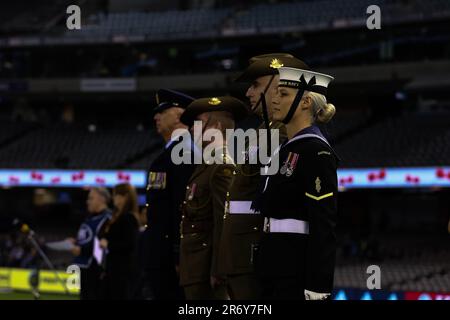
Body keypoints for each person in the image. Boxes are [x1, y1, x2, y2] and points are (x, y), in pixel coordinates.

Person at [218, 53, 309, 299]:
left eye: (256, 85)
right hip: (241, 253)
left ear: (278, 85)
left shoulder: (282, 134)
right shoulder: (262, 132)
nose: (248, 93)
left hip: (254, 252)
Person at [254, 66, 339, 300]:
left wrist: (318, 285)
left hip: (295, 271)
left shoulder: (316, 151)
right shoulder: (286, 149)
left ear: (306, 102)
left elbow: (323, 223)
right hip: (273, 264)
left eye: (283, 94)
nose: (274, 100)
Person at [178, 96, 248, 300]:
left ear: (215, 126)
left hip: (207, 272)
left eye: (197, 123)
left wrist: (219, 270)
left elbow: (224, 223)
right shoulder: (207, 165)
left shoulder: (221, 166)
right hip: (195, 268)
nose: (191, 129)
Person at [142, 89, 196, 300]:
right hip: (162, 254)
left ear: (178, 115)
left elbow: (182, 207)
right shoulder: (173, 152)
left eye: (162, 111)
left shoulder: (184, 153)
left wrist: (178, 253)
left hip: (170, 257)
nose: (156, 116)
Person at [69, 187, 111, 300]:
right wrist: (75, 242)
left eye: (91, 198)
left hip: (95, 272)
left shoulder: (108, 219)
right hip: (83, 268)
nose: (88, 201)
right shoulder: (89, 218)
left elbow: (104, 245)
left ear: (102, 199)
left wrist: (81, 250)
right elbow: (86, 238)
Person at [99, 183, 140, 300]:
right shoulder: (118, 216)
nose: (113, 198)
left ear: (125, 197)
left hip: (121, 271)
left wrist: (108, 244)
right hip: (114, 269)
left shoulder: (128, 218)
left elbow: (130, 244)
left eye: (116, 195)